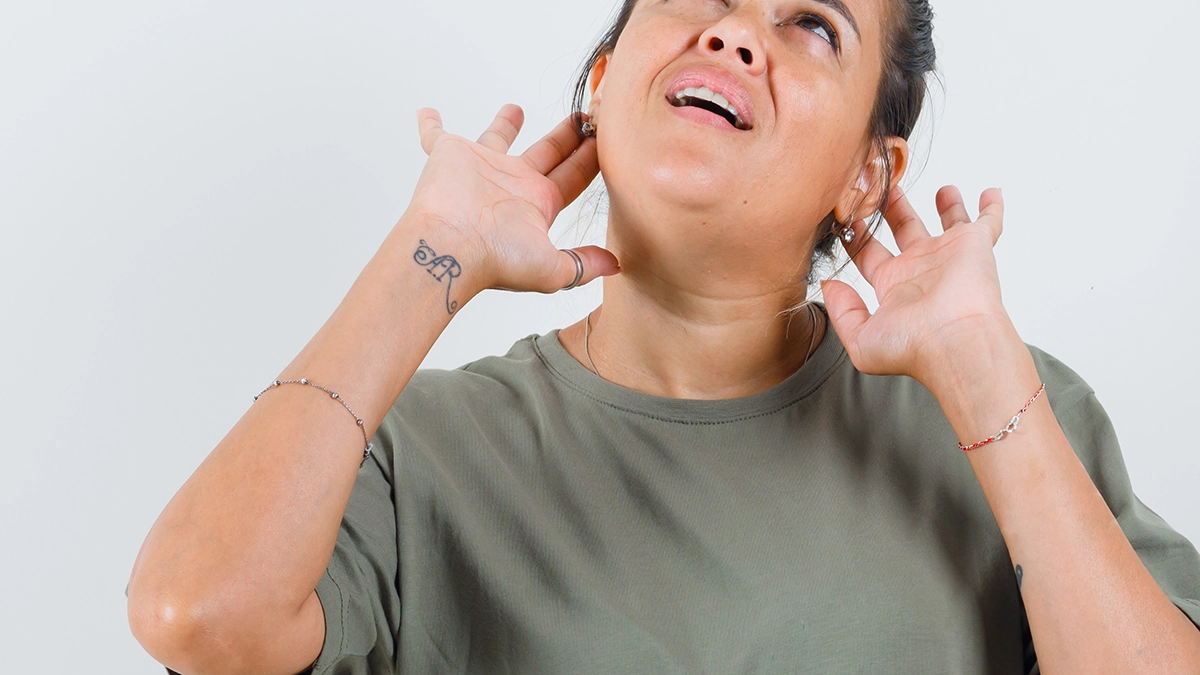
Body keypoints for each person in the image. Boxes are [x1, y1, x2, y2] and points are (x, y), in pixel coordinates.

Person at [125, 0, 1200, 673]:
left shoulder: (1009, 420)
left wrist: (984, 381)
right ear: (602, 79)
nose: (734, 32)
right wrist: (430, 252)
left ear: (867, 175)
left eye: (811, 24)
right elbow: (194, 615)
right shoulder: (421, 455)